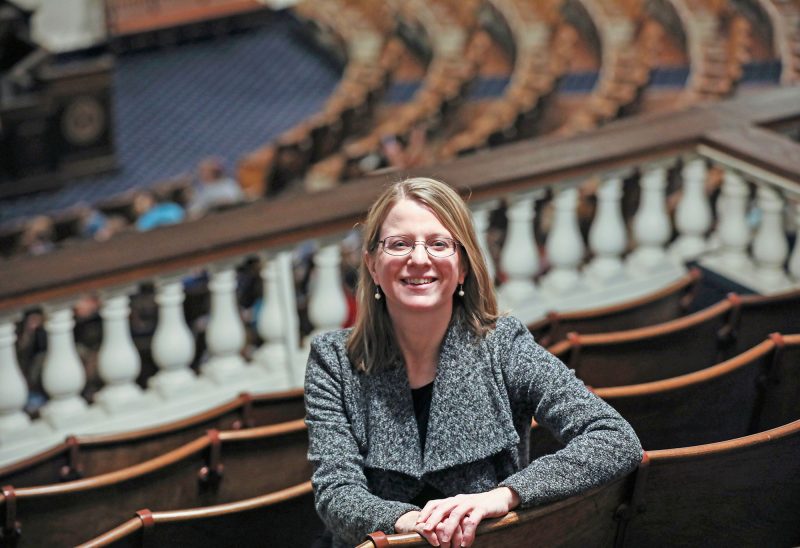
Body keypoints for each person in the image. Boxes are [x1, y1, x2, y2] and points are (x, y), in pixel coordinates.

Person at [304, 177, 642, 548]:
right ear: (371, 265)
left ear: (463, 266)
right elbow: (336, 492)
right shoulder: (332, 360)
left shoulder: (503, 345)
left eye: (438, 244)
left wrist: (506, 494)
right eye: (399, 244)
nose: (419, 259)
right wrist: (411, 523)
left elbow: (614, 438)